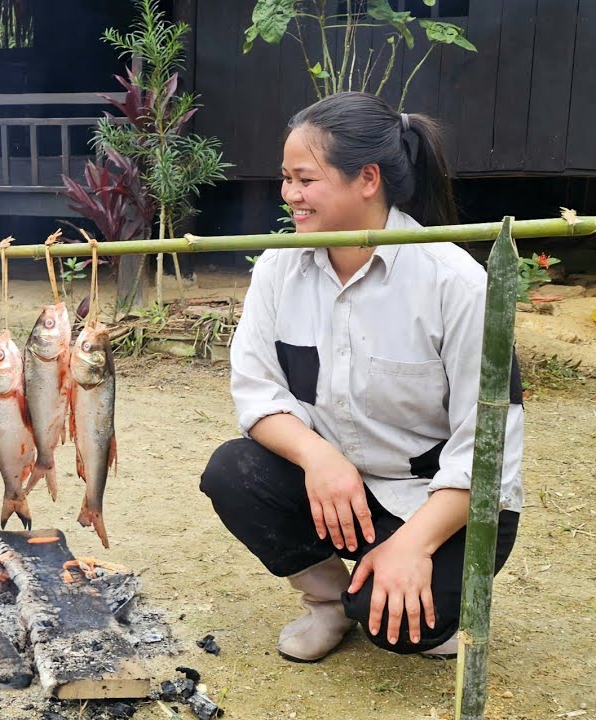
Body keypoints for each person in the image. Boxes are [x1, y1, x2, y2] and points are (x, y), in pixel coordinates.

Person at [200, 92, 523, 662]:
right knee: (233, 471)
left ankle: (399, 589)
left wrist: (413, 545)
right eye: (286, 179)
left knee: (399, 630)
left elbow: (488, 453)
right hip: (341, 491)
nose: (289, 196)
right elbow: (257, 391)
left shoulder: (456, 282)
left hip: (442, 501)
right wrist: (319, 458)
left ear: (367, 178)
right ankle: (327, 601)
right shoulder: (278, 269)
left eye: (304, 180)